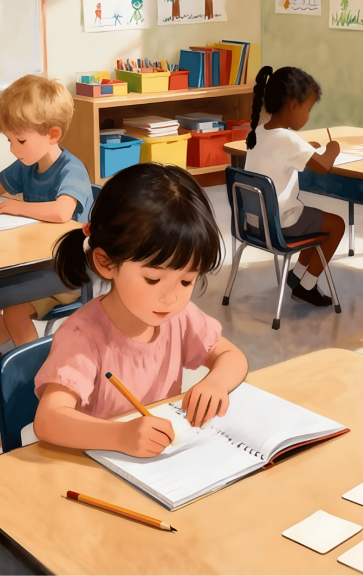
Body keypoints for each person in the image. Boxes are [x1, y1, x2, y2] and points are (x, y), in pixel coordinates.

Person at [32, 163, 248, 455]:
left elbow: (232, 356)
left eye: (186, 281)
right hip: (97, 465)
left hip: (159, 463)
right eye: (153, 279)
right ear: (106, 263)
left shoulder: (180, 318)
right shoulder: (83, 336)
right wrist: (120, 436)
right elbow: (48, 420)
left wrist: (216, 384)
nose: (171, 299)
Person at [0, 74, 95, 389]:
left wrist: (18, 206)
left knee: (14, 313)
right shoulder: (28, 165)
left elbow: (62, 211)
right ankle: (12, 362)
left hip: (66, 275)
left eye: (19, 141)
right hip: (33, 265)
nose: (13, 149)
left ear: (52, 135)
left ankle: (35, 379)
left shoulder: (71, 169)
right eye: (9, 140)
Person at [245, 66, 345, 307]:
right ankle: (307, 285)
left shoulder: (259, 133)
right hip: (280, 225)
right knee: (336, 225)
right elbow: (324, 166)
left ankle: (296, 274)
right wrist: (333, 149)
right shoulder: (288, 140)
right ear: (292, 105)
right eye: (308, 109)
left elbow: (286, 150)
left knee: (314, 219)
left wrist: (306, 148)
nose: (308, 115)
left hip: (254, 223)